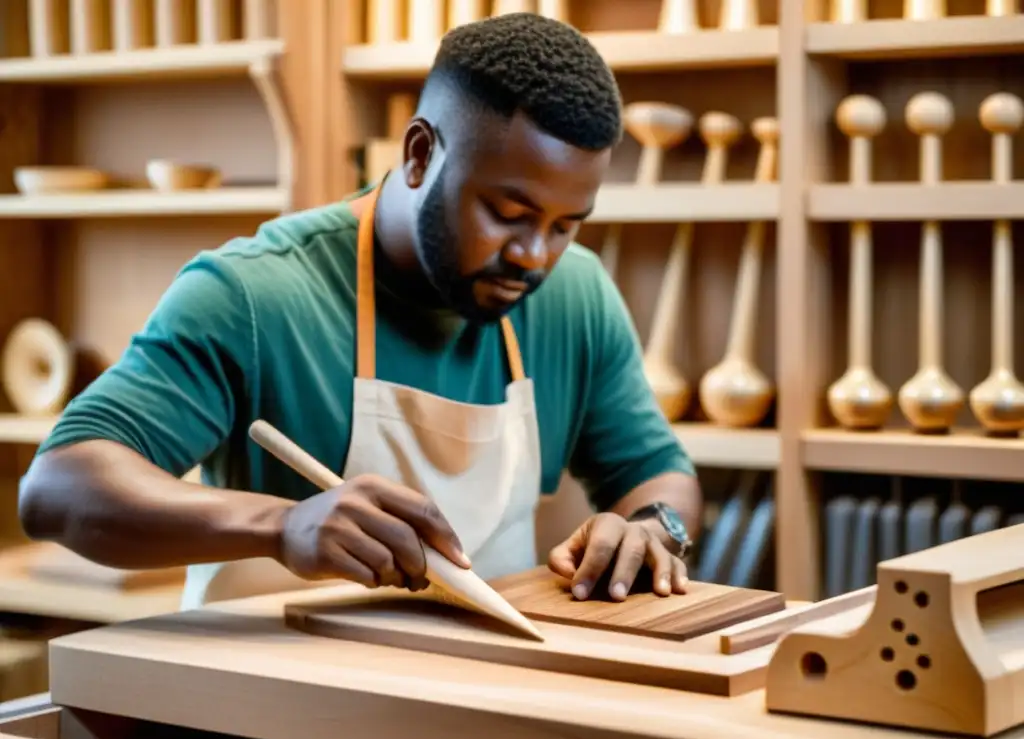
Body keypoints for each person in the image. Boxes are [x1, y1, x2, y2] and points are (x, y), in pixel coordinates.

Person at [17, 12, 702, 611]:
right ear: (419, 154)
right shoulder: (255, 294)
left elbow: (659, 472)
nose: (533, 254)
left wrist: (652, 528)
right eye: (508, 213)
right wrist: (280, 526)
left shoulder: (574, 296)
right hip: (273, 723)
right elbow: (57, 488)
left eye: (565, 225)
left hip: (486, 700)